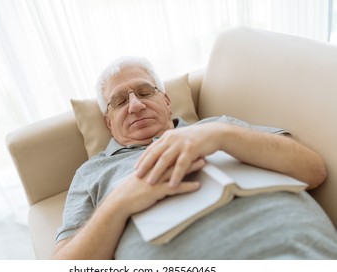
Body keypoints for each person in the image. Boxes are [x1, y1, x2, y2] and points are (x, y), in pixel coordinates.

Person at [53, 56, 337, 259]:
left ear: (166, 101)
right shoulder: (92, 171)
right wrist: (119, 202)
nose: (136, 106)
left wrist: (220, 137)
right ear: (108, 123)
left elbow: (313, 170)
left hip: (300, 252)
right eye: (119, 101)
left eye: (144, 92)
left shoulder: (218, 125)